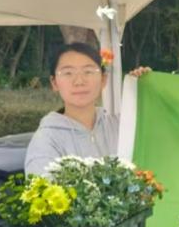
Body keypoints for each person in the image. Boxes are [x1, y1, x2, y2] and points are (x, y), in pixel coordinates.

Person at [24, 43, 147, 176]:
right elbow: (42, 186)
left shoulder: (121, 127)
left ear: (103, 79)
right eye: (68, 73)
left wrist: (149, 85)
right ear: (54, 83)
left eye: (88, 71)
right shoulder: (46, 140)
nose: (79, 81)